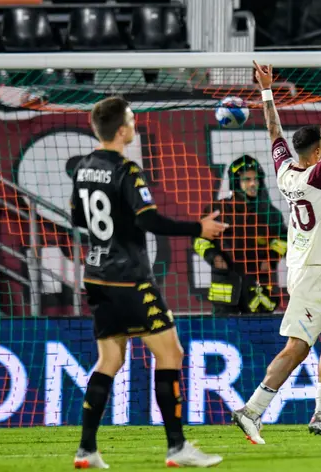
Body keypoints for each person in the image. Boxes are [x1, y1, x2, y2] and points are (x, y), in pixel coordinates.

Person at [70, 96, 227, 469]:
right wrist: (198, 228)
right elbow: (149, 221)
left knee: (109, 358)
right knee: (170, 354)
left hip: (96, 275)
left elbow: (78, 219)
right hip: (130, 279)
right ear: (122, 130)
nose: (135, 124)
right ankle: (177, 448)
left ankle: (86, 450)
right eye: (131, 119)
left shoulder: (83, 168)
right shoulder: (127, 169)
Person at [231, 61, 321, 444]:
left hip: (317, 269)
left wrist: (266, 91)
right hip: (312, 272)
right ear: (317, 151)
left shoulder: (285, 169)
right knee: (299, 346)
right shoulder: (316, 178)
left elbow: (274, 130)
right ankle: (251, 410)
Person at [194, 155, 286, 315]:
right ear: (236, 182)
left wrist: (271, 258)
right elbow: (198, 240)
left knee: (261, 337)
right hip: (225, 290)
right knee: (223, 337)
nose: (252, 184)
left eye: (255, 179)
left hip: (259, 290)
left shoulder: (271, 213)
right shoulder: (218, 210)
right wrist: (213, 256)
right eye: (246, 179)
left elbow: (284, 240)